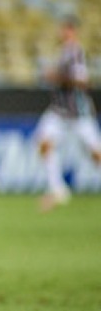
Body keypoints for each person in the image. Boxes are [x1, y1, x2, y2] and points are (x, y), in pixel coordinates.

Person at [34, 15, 101, 212]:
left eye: (67, 29)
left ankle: (57, 189)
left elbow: (82, 81)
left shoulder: (75, 52)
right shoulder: (63, 52)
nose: (63, 32)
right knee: (44, 143)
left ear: (73, 31)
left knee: (95, 152)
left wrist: (57, 77)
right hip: (59, 110)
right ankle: (57, 189)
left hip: (78, 112)